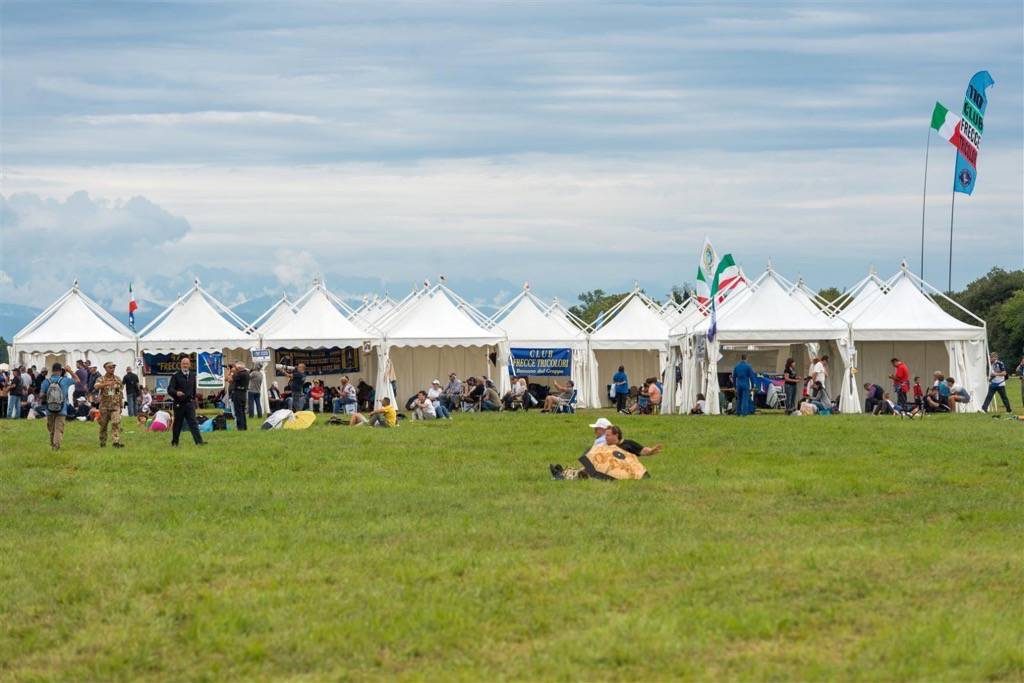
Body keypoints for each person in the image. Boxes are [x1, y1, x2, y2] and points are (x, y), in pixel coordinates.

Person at [549, 425, 659, 480]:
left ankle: (563, 475)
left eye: (608, 435)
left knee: (586, 471)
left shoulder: (628, 444)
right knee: (587, 465)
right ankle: (564, 472)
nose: (605, 437)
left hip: (615, 471)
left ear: (616, 435)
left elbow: (643, 451)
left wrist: (651, 451)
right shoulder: (606, 445)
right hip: (601, 466)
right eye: (605, 435)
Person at [167, 356, 204, 447]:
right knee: (177, 424)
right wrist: (176, 393)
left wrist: (194, 400)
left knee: (193, 423)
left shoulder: (192, 375)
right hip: (179, 404)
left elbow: (194, 389)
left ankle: (199, 442)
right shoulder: (175, 376)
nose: (185, 365)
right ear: (180, 365)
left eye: (187, 364)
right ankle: (175, 443)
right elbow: (170, 389)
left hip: (189, 404)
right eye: (183, 364)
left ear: (190, 365)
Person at [40, 362, 75, 451]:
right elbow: (77, 380)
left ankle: (53, 445)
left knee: (51, 429)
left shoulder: (46, 381)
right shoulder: (65, 380)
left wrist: (48, 396)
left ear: (52, 370)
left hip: (49, 409)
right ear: (60, 371)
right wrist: (70, 371)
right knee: (58, 429)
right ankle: (56, 447)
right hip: (62, 409)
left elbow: (41, 395)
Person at [94, 361, 125, 448]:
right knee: (103, 425)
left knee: (116, 423)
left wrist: (121, 404)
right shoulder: (101, 379)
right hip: (104, 406)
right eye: (110, 367)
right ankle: (103, 442)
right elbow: (96, 386)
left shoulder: (117, 379)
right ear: (105, 368)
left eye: (113, 367)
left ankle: (116, 442)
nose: (112, 369)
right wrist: (106, 384)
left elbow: (119, 392)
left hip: (115, 406)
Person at [228, 362, 250, 430]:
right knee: (242, 411)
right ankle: (244, 426)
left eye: (236, 368)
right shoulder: (246, 373)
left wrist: (231, 372)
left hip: (238, 393)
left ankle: (240, 427)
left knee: (238, 411)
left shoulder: (239, 374)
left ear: (239, 368)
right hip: (243, 393)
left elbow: (230, 380)